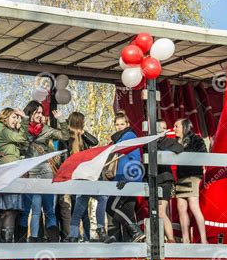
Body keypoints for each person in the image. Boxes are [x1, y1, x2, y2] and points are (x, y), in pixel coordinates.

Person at [19, 100, 69, 243]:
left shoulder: (46, 129)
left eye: (42, 113)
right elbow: (21, 142)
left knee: (49, 210)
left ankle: (53, 242)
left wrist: (61, 119)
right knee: (27, 211)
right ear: (30, 112)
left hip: (45, 174)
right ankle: (27, 241)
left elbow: (65, 136)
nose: (41, 115)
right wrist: (24, 121)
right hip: (28, 175)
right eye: (38, 112)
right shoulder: (23, 128)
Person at [66, 112, 115, 243]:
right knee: (100, 198)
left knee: (80, 207)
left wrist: (83, 133)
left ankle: (73, 234)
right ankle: (100, 231)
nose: (84, 123)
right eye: (83, 121)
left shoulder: (83, 138)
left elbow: (95, 141)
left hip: (88, 175)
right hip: (81, 176)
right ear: (79, 122)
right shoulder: (68, 139)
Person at [105, 111, 146, 242]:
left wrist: (126, 179)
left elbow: (135, 159)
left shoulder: (128, 136)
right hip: (125, 180)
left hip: (126, 180)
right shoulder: (120, 139)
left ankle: (136, 231)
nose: (119, 127)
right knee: (127, 212)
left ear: (127, 124)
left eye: (122, 124)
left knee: (111, 206)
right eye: (117, 124)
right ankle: (131, 246)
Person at [0, 107, 28, 243]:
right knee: (9, 211)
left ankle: (2, 244)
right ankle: (5, 245)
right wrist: (24, 119)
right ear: (5, 117)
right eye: (14, 117)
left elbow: (24, 141)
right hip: (8, 175)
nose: (16, 120)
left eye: (17, 118)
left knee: (7, 212)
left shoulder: (6, 131)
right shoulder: (3, 131)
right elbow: (22, 137)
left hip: (9, 174)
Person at [174, 118, 208, 244]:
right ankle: (186, 239)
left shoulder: (196, 139)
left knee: (194, 206)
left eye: (176, 126)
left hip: (193, 175)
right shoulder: (175, 141)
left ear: (184, 127)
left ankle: (204, 240)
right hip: (181, 176)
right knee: (181, 207)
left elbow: (203, 153)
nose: (174, 128)